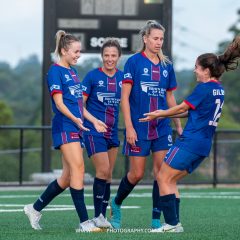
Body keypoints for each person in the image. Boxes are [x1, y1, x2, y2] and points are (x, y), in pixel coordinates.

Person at [139, 36, 240, 232]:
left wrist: (160, 113)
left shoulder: (204, 88)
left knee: (162, 177)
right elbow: (192, 111)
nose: (194, 70)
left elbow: (182, 107)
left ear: (206, 71)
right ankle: (175, 223)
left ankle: (170, 223)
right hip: (202, 145)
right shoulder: (218, 89)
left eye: (197, 67)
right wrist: (166, 115)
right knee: (170, 180)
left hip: (190, 142)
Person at [24, 30, 107, 232]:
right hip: (65, 125)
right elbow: (60, 104)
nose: (79, 55)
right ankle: (84, 222)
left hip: (76, 125)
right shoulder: (55, 71)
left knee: (67, 178)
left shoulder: (72, 72)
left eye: (80, 51)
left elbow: (80, 106)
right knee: (79, 169)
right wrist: (75, 119)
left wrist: (94, 121)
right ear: (64, 50)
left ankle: (34, 209)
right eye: (76, 51)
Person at [110, 20, 182, 229]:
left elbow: (170, 98)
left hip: (161, 127)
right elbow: (124, 98)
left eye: (161, 39)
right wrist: (129, 127)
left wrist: (177, 125)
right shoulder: (133, 62)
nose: (159, 42)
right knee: (137, 174)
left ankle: (155, 219)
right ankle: (116, 203)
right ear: (145, 39)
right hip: (139, 127)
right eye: (155, 38)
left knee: (162, 174)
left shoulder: (167, 66)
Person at [81, 38, 123, 228]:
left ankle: (102, 217)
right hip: (93, 130)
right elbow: (79, 105)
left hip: (112, 132)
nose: (109, 59)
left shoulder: (123, 78)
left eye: (113, 55)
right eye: (106, 55)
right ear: (101, 56)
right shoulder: (92, 76)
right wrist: (93, 121)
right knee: (103, 170)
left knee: (108, 175)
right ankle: (97, 215)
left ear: (119, 57)